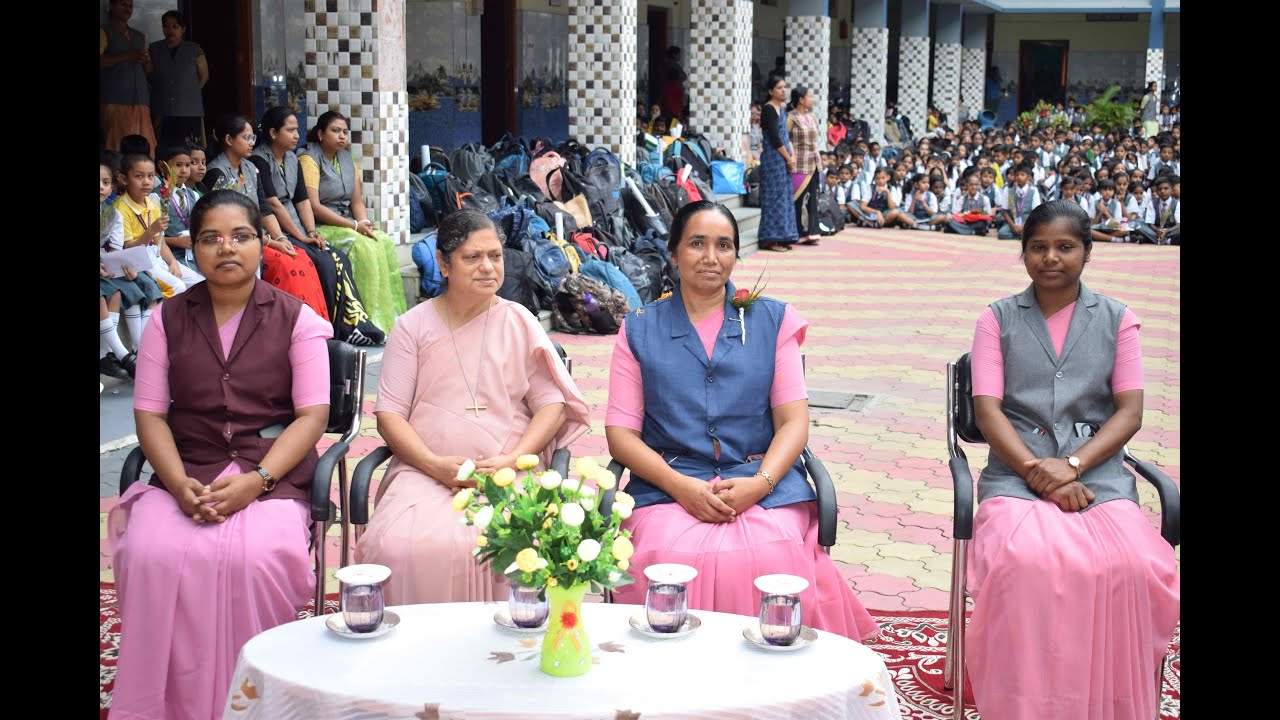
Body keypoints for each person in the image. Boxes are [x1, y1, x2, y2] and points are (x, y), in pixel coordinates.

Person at [604, 200, 880, 642]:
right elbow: (621, 435)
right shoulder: (639, 328)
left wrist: (762, 483)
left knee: (774, 552)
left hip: (760, 480)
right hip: (668, 485)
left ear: (736, 254)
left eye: (724, 245)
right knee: (661, 552)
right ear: (673, 253)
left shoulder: (772, 321)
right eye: (697, 244)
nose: (711, 257)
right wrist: (680, 486)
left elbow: (793, 422)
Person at [108, 189, 333, 720]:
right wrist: (179, 483)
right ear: (194, 249)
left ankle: (258, 700)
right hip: (186, 471)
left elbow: (313, 417)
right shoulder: (167, 318)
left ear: (262, 243)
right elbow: (150, 415)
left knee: (254, 559)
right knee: (148, 553)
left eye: (241, 236)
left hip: (271, 472)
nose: (225, 248)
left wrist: (258, 480)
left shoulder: (296, 318)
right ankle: (164, 705)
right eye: (210, 238)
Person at [965, 199, 1179, 719]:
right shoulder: (996, 319)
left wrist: (1075, 465)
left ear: (1087, 252)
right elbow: (988, 413)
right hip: (1017, 474)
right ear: (1022, 254)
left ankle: (1105, 697)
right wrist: (1043, 474)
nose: (1051, 258)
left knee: (1134, 562)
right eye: (1038, 247)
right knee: (1023, 562)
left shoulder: (1118, 320)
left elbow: (1129, 413)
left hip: (1098, 476)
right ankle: (1024, 699)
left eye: (1065, 247)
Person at [353, 210, 591, 605]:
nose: (487, 267)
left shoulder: (520, 320)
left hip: (507, 471)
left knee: (517, 536)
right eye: (472, 257)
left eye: (495, 256)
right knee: (396, 545)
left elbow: (552, 405)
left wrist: (514, 459)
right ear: (444, 264)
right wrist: (433, 465)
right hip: (424, 470)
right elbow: (390, 415)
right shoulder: (411, 327)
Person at [249, 107, 385, 346]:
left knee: (338, 258)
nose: (296, 135)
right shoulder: (259, 159)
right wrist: (300, 236)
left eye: (297, 130)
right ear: (272, 132)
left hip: (298, 227)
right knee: (320, 261)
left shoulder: (292, 158)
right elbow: (273, 204)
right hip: (277, 229)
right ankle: (335, 327)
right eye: (290, 130)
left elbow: (301, 200)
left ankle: (351, 324)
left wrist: (311, 232)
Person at [202, 113, 331, 323]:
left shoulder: (250, 168)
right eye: (246, 138)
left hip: (259, 238)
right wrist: (272, 242)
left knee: (300, 257)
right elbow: (223, 223)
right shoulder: (216, 173)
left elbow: (263, 208)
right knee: (285, 266)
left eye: (253, 137)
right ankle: (287, 327)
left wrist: (281, 239)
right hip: (235, 242)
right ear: (228, 140)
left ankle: (314, 327)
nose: (252, 143)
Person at [299, 110, 408, 333]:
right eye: (335, 131)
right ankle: (363, 319)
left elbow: (356, 201)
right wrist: (354, 227)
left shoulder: (348, 159)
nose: (342, 136)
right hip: (321, 226)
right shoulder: (308, 159)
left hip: (347, 222)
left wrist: (364, 223)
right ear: (320, 134)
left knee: (382, 241)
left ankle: (391, 318)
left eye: (345, 132)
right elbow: (314, 206)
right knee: (362, 247)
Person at [101, 162, 161, 379]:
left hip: (109, 267)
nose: (101, 187)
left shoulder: (111, 214)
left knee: (129, 289)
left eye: (105, 183)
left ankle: (137, 350)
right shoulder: (120, 209)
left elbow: (115, 251)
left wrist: (114, 265)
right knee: (108, 293)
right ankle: (119, 354)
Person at [114, 153, 203, 297]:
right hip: (138, 262)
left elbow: (159, 242)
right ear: (124, 179)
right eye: (139, 176)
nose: (146, 182)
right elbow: (129, 249)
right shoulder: (121, 208)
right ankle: (163, 319)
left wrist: (173, 262)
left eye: (150, 176)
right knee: (177, 287)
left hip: (156, 257)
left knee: (199, 284)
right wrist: (151, 231)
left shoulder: (151, 203)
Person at [100, 0, 156, 153]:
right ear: (111, 6)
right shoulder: (104, 32)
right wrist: (125, 56)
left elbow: (149, 70)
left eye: (130, 5)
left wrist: (146, 61)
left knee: (146, 146)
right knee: (116, 147)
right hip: (114, 100)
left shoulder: (139, 36)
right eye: (123, 4)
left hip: (141, 100)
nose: (127, 8)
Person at [147, 10, 208, 150]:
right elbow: (149, 75)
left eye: (175, 26)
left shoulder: (194, 49)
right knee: (164, 149)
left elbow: (204, 76)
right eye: (166, 26)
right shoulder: (154, 49)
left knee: (191, 149)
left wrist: (189, 92)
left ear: (183, 29)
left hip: (189, 110)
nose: (170, 30)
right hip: (162, 109)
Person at [757, 74, 800, 252]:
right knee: (773, 198)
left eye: (785, 87)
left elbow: (785, 135)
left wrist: (792, 155)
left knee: (784, 197)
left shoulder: (782, 108)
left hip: (783, 158)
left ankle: (784, 236)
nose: (784, 90)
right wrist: (788, 158)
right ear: (770, 91)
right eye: (779, 88)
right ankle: (770, 238)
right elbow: (774, 138)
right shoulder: (768, 109)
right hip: (774, 159)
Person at [154, 144, 202, 273]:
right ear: (162, 166)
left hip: (194, 254)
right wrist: (176, 241)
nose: (184, 170)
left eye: (187, 165)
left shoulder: (194, 195)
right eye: (178, 165)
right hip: (170, 255)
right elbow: (151, 237)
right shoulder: (155, 197)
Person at [787, 86, 823, 245]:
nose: (812, 99)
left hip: (814, 161)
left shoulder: (812, 117)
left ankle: (812, 232)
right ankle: (797, 231)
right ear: (801, 100)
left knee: (813, 198)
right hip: (799, 163)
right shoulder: (791, 117)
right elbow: (785, 138)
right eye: (809, 96)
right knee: (798, 199)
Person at [997, 164, 1041, 240]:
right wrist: (1012, 225)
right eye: (1017, 175)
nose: (1019, 177)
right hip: (1013, 222)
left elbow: (1035, 212)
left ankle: (1023, 235)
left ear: (1028, 177)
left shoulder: (1033, 191)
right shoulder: (1009, 191)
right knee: (1002, 233)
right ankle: (1022, 236)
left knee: (1036, 232)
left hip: (1027, 223)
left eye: (1022, 175)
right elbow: (1004, 211)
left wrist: (1023, 226)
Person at [1132, 175, 1179, 245]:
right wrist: (1158, 231)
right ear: (1156, 191)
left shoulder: (1177, 203)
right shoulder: (1152, 203)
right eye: (1160, 189)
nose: (1162, 191)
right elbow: (1151, 223)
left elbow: (1178, 224)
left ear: (1171, 189)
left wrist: (1166, 232)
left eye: (1166, 188)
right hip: (1155, 230)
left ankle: (1151, 239)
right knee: (1137, 224)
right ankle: (1167, 241)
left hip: (1171, 231)